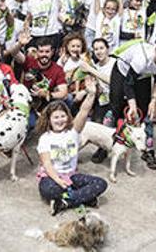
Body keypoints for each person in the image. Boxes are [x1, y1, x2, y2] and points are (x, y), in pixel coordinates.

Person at [107, 36, 156, 171]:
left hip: (144, 76)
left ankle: (148, 149)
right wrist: (132, 106)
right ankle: (109, 144)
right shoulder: (142, 57)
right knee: (117, 107)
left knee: (146, 112)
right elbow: (128, 84)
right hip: (123, 72)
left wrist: (153, 100)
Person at [36, 78, 107, 215]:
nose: (60, 120)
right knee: (50, 190)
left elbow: (84, 111)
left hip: (71, 176)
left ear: (68, 117)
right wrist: (58, 180)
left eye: (63, 116)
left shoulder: (73, 132)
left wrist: (91, 94)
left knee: (101, 183)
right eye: (56, 117)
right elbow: (47, 164)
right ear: (49, 120)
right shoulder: (45, 139)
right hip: (51, 178)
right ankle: (84, 198)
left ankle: (66, 202)